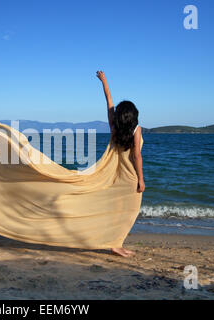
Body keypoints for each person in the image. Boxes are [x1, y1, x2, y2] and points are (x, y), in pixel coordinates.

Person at [96, 70, 145, 257]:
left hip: (115, 176)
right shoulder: (136, 129)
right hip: (130, 177)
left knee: (117, 210)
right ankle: (116, 244)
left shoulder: (114, 127)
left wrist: (104, 80)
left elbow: (109, 101)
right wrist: (141, 180)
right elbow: (137, 157)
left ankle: (116, 243)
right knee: (129, 212)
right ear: (133, 116)